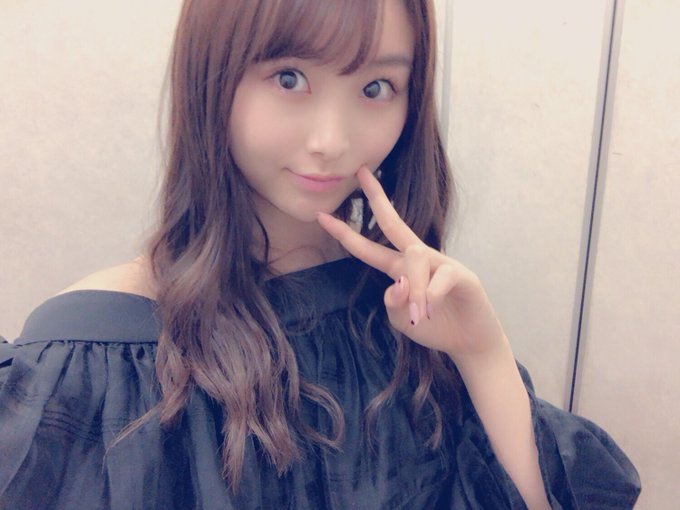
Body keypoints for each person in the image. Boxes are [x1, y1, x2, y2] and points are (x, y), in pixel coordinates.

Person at [0, 0, 640, 508]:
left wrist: (482, 353)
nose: (332, 141)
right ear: (211, 75)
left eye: (376, 87)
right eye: (290, 78)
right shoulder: (89, 358)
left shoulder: (404, 314)